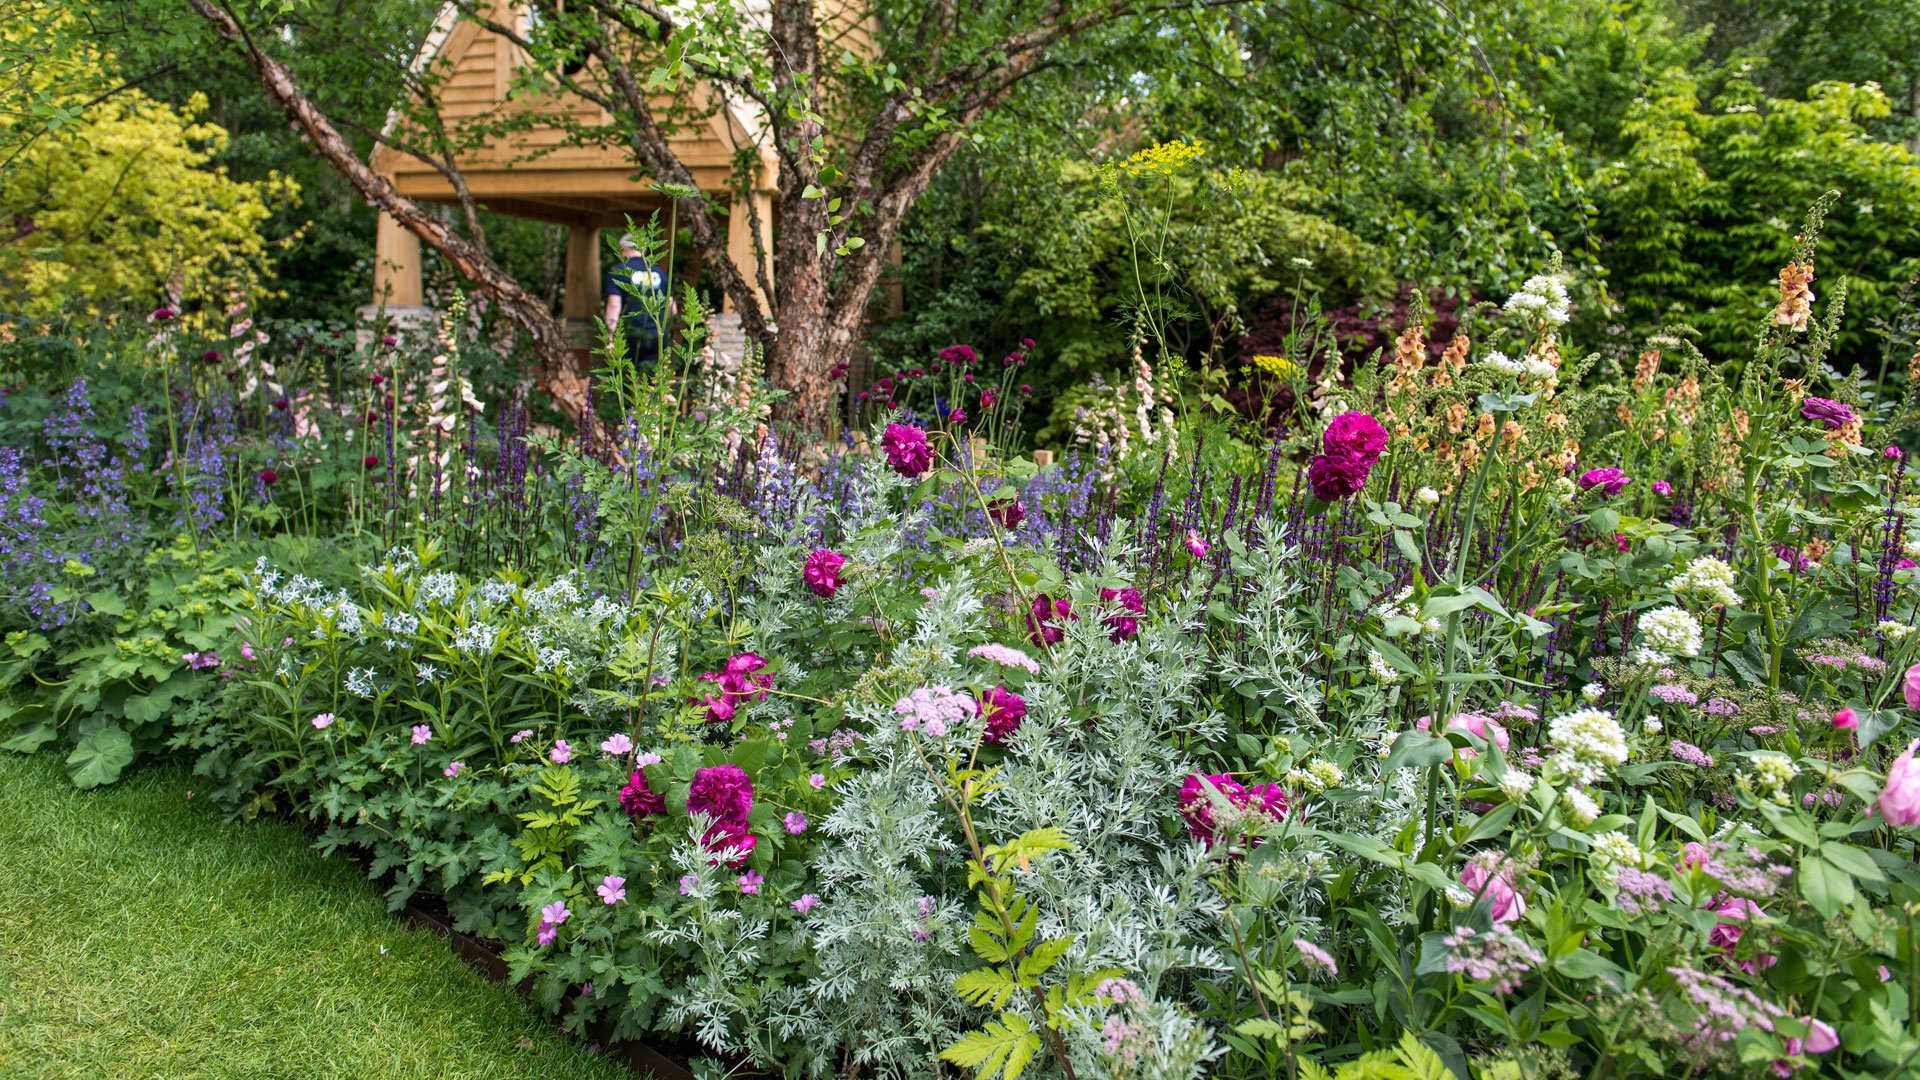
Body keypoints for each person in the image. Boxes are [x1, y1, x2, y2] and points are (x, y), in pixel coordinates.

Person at [602, 233, 675, 369]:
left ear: (623, 248)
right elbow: (672, 309)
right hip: (657, 336)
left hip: (629, 335)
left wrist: (609, 338)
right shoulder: (659, 273)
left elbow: (613, 306)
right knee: (654, 382)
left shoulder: (619, 271)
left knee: (625, 379)